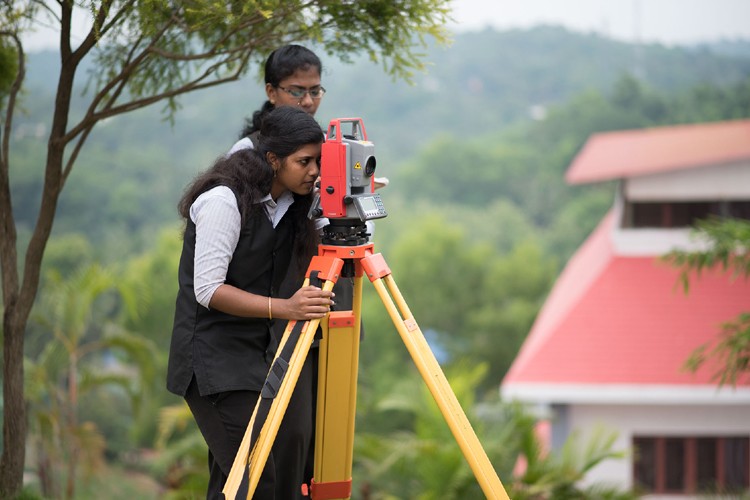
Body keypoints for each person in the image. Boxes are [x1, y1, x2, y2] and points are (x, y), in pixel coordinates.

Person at [166, 106, 334, 499]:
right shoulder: (224, 201)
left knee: (237, 480)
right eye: (304, 162)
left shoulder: (293, 203)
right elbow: (207, 290)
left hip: (254, 354)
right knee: (257, 475)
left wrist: (344, 203)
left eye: (319, 162)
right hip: (210, 359)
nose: (313, 171)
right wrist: (284, 307)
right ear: (273, 159)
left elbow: (332, 237)